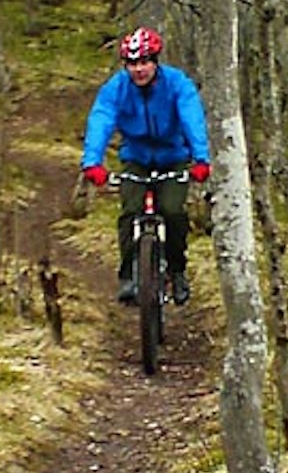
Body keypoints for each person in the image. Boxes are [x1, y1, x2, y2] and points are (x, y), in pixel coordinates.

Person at [80, 27, 211, 304]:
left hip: (173, 156)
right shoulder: (116, 88)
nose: (139, 70)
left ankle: (177, 271)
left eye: (144, 62)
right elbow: (101, 119)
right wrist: (92, 162)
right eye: (132, 64)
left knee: (173, 211)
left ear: (155, 61)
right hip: (136, 157)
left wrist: (200, 158)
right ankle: (128, 275)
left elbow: (192, 118)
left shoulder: (177, 84)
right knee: (130, 210)